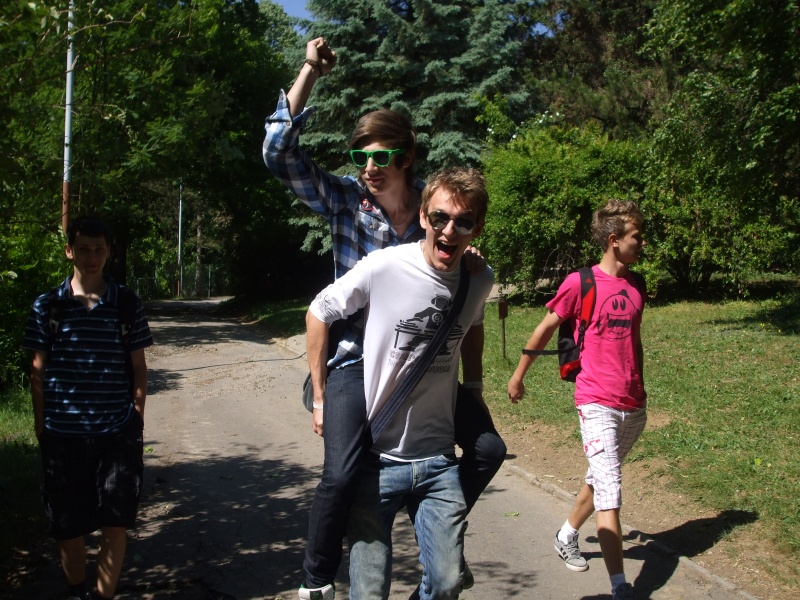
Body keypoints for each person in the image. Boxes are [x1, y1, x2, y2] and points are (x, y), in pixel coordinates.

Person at [263, 38, 506, 599]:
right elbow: (277, 153)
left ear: (407, 157)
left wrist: (464, 251)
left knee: (488, 450)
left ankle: (443, 543)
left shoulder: (434, 213)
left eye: (380, 157)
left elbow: (462, 262)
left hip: (421, 361)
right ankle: (316, 582)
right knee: (342, 473)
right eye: (360, 158)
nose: (369, 168)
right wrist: (309, 72)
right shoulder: (344, 200)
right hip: (354, 361)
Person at [306, 168, 494, 599]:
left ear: (477, 227)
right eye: (440, 217)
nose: (450, 230)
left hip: (437, 462)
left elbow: (474, 324)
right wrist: (320, 397)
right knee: (369, 593)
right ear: (424, 217)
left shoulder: (479, 279)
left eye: (463, 222)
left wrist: (474, 386)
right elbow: (318, 312)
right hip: (376, 464)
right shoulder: (385, 267)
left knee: (446, 583)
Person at [506, 199, 648, 600]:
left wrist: (639, 384)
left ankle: (566, 534)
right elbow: (545, 328)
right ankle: (620, 587)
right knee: (610, 492)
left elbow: (633, 340)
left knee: (601, 478)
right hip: (595, 399)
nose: (642, 243)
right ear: (614, 239)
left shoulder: (637, 284)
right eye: (637, 236)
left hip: (633, 403)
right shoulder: (579, 282)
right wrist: (518, 375)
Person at [23, 216, 153, 600]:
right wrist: (41, 425)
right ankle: (78, 592)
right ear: (69, 251)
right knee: (68, 527)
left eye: (99, 249)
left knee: (115, 524)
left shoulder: (126, 304)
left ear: (108, 251)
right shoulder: (48, 306)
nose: (92, 257)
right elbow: (37, 369)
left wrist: (136, 417)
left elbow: (139, 366)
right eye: (83, 249)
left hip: (117, 433)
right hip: (63, 434)